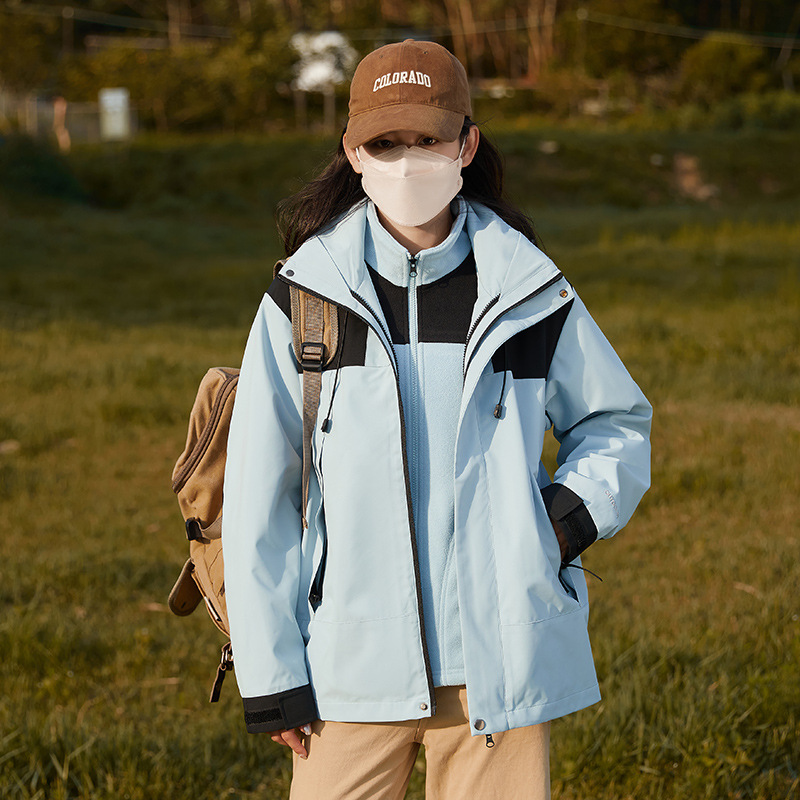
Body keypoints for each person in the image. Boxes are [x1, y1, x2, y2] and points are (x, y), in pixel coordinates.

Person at [222, 39, 651, 800]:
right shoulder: (303, 300)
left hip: (498, 667)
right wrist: (273, 671)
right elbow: (259, 498)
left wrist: (559, 525)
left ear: (467, 145)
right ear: (352, 152)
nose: (406, 161)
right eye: (385, 143)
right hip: (345, 670)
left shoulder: (528, 291)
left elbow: (615, 422)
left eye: (426, 138)